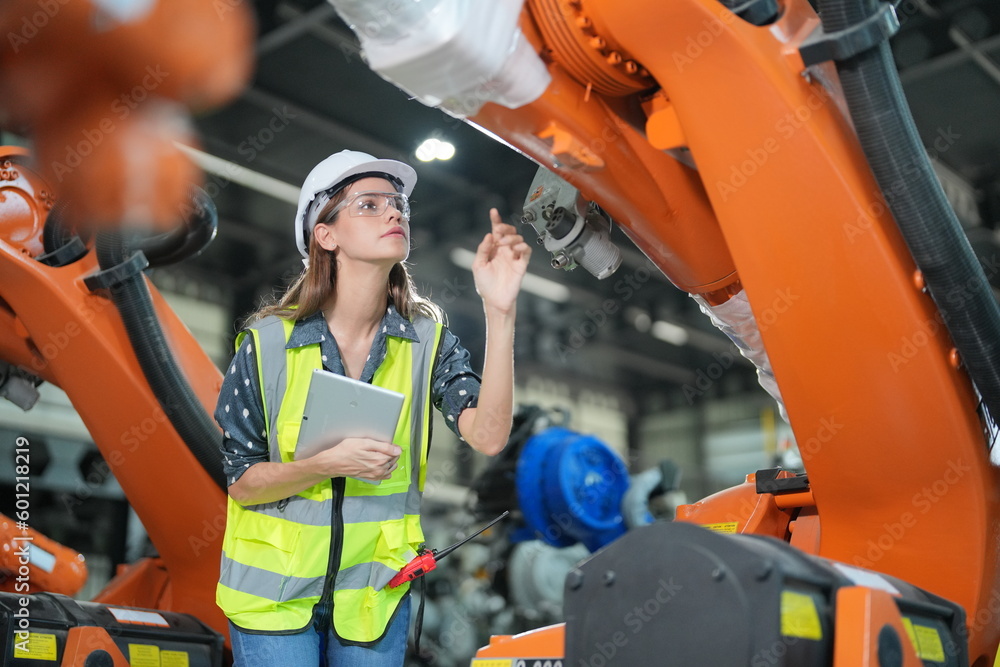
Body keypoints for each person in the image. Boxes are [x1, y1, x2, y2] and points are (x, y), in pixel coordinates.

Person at [213, 149, 530, 667]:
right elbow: (243, 483)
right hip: (273, 600)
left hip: (373, 597)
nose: (393, 212)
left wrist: (501, 310)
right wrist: (324, 465)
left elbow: (490, 436)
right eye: (370, 204)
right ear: (326, 235)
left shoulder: (427, 342)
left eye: (398, 204)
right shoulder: (266, 344)